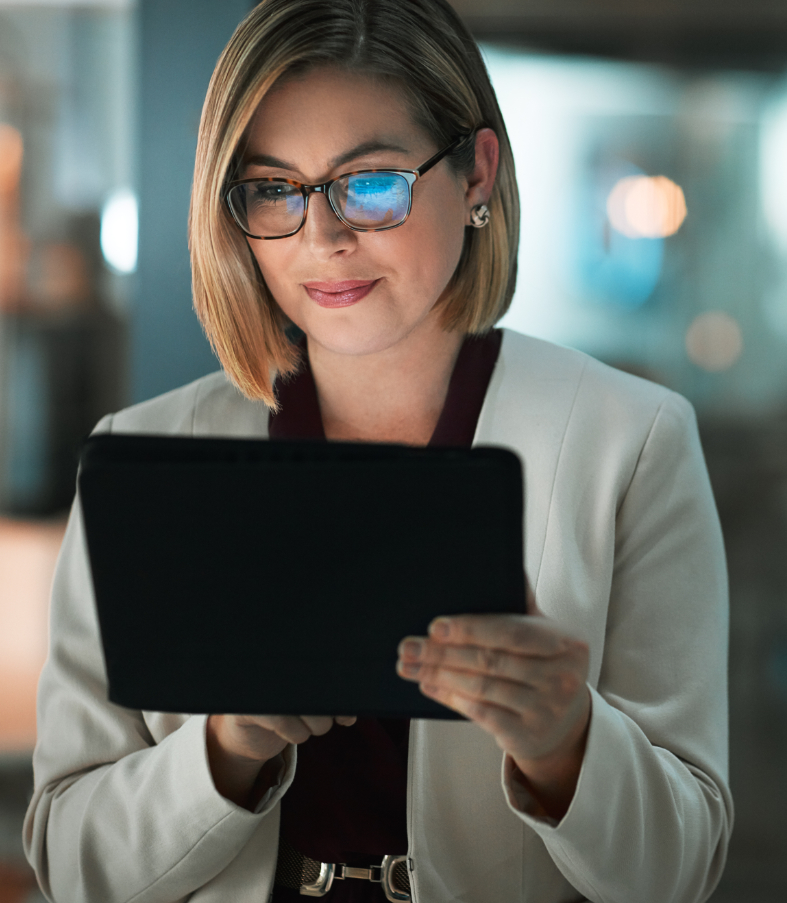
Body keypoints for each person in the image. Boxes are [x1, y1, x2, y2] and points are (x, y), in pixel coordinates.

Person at [23, 1, 733, 901]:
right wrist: (226, 744)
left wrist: (568, 742)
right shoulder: (144, 455)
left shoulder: (629, 442)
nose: (322, 237)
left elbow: (683, 870)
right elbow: (68, 862)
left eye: (369, 183)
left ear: (477, 172)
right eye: (275, 188)